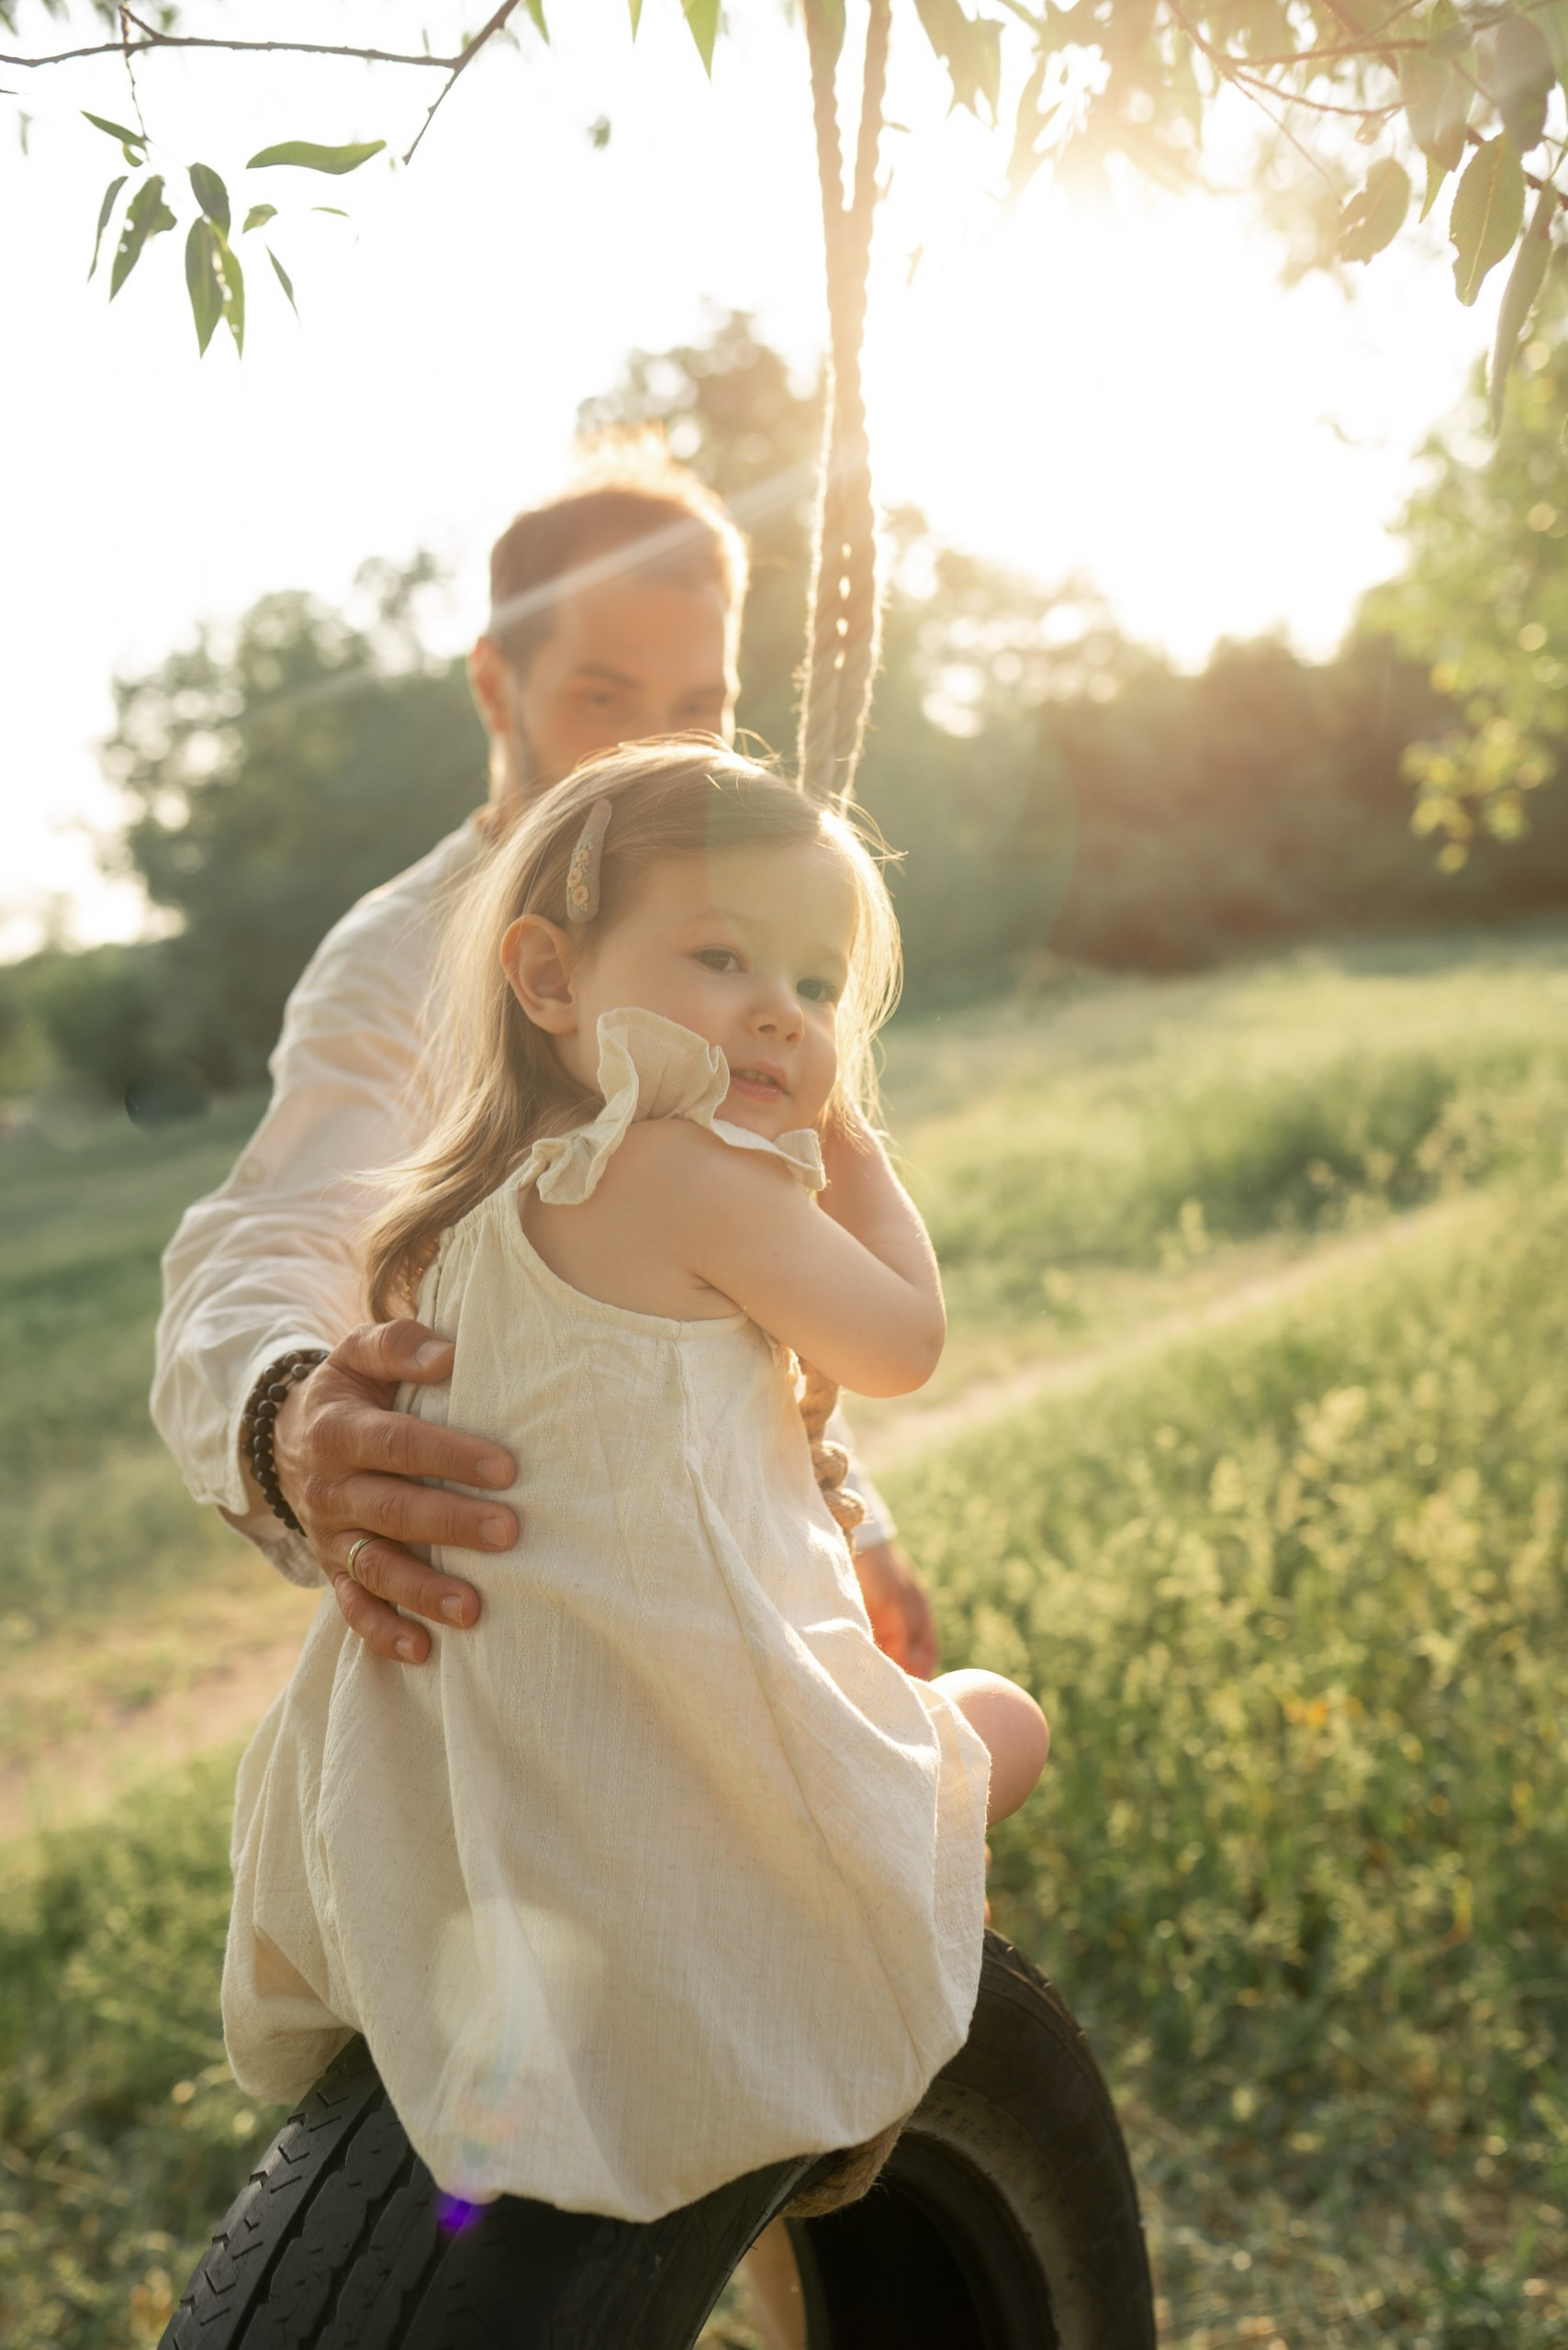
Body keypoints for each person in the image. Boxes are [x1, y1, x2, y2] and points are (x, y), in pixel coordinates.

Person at [222, 743, 1049, 2220]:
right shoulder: (683, 1174)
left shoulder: (446, 1221)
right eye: (724, 956)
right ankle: (803, 1981)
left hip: (470, 1812)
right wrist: (847, 1128)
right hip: (680, 1757)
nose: (782, 1017)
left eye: (816, 985)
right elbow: (908, 1339)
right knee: (1003, 1721)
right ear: (547, 975)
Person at [152, 443, 938, 1678]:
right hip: (529, 1609)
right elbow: (274, 1236)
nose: (648, 754)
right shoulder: (404, 951)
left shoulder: (729, 951)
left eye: (696, 709)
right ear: (494, 685)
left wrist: (859, 1524)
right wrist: (287, 1418)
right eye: (602, 700)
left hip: (721, 1561)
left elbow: (738, 1258)